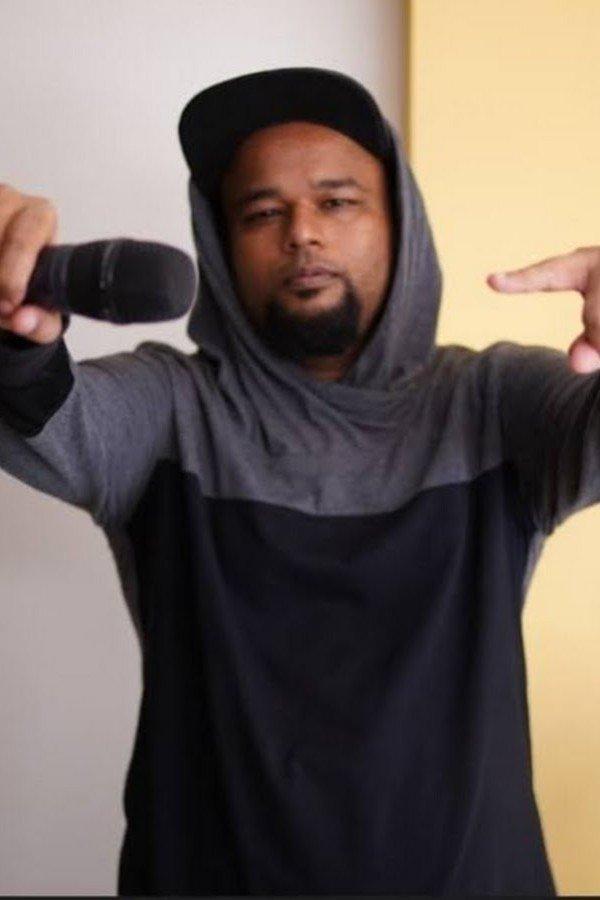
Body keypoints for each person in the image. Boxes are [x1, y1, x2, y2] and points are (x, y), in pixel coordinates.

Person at [0, 66, 599, 896]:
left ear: (402, 224)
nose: (302, 234)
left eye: (337, 201)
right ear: (222, 247)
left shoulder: (493, 404)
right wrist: (14, 334)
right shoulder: (170, 410)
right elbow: (38, 404)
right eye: (261, 213)